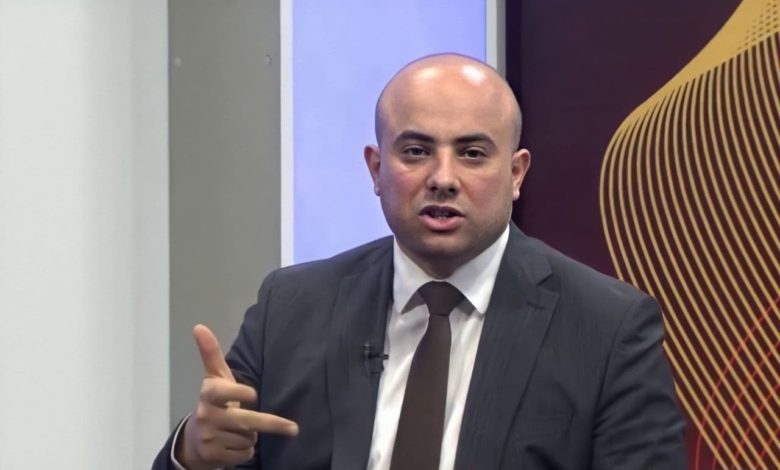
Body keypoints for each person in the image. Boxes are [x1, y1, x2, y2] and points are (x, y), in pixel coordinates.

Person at [153, 53, 686, 470]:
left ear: (516, 173)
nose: (443, 178)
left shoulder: (607, 327)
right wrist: (194, 453)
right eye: (416, 151)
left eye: (472, 153)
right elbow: (225, 444)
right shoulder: (291, 308)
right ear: (375, 169)